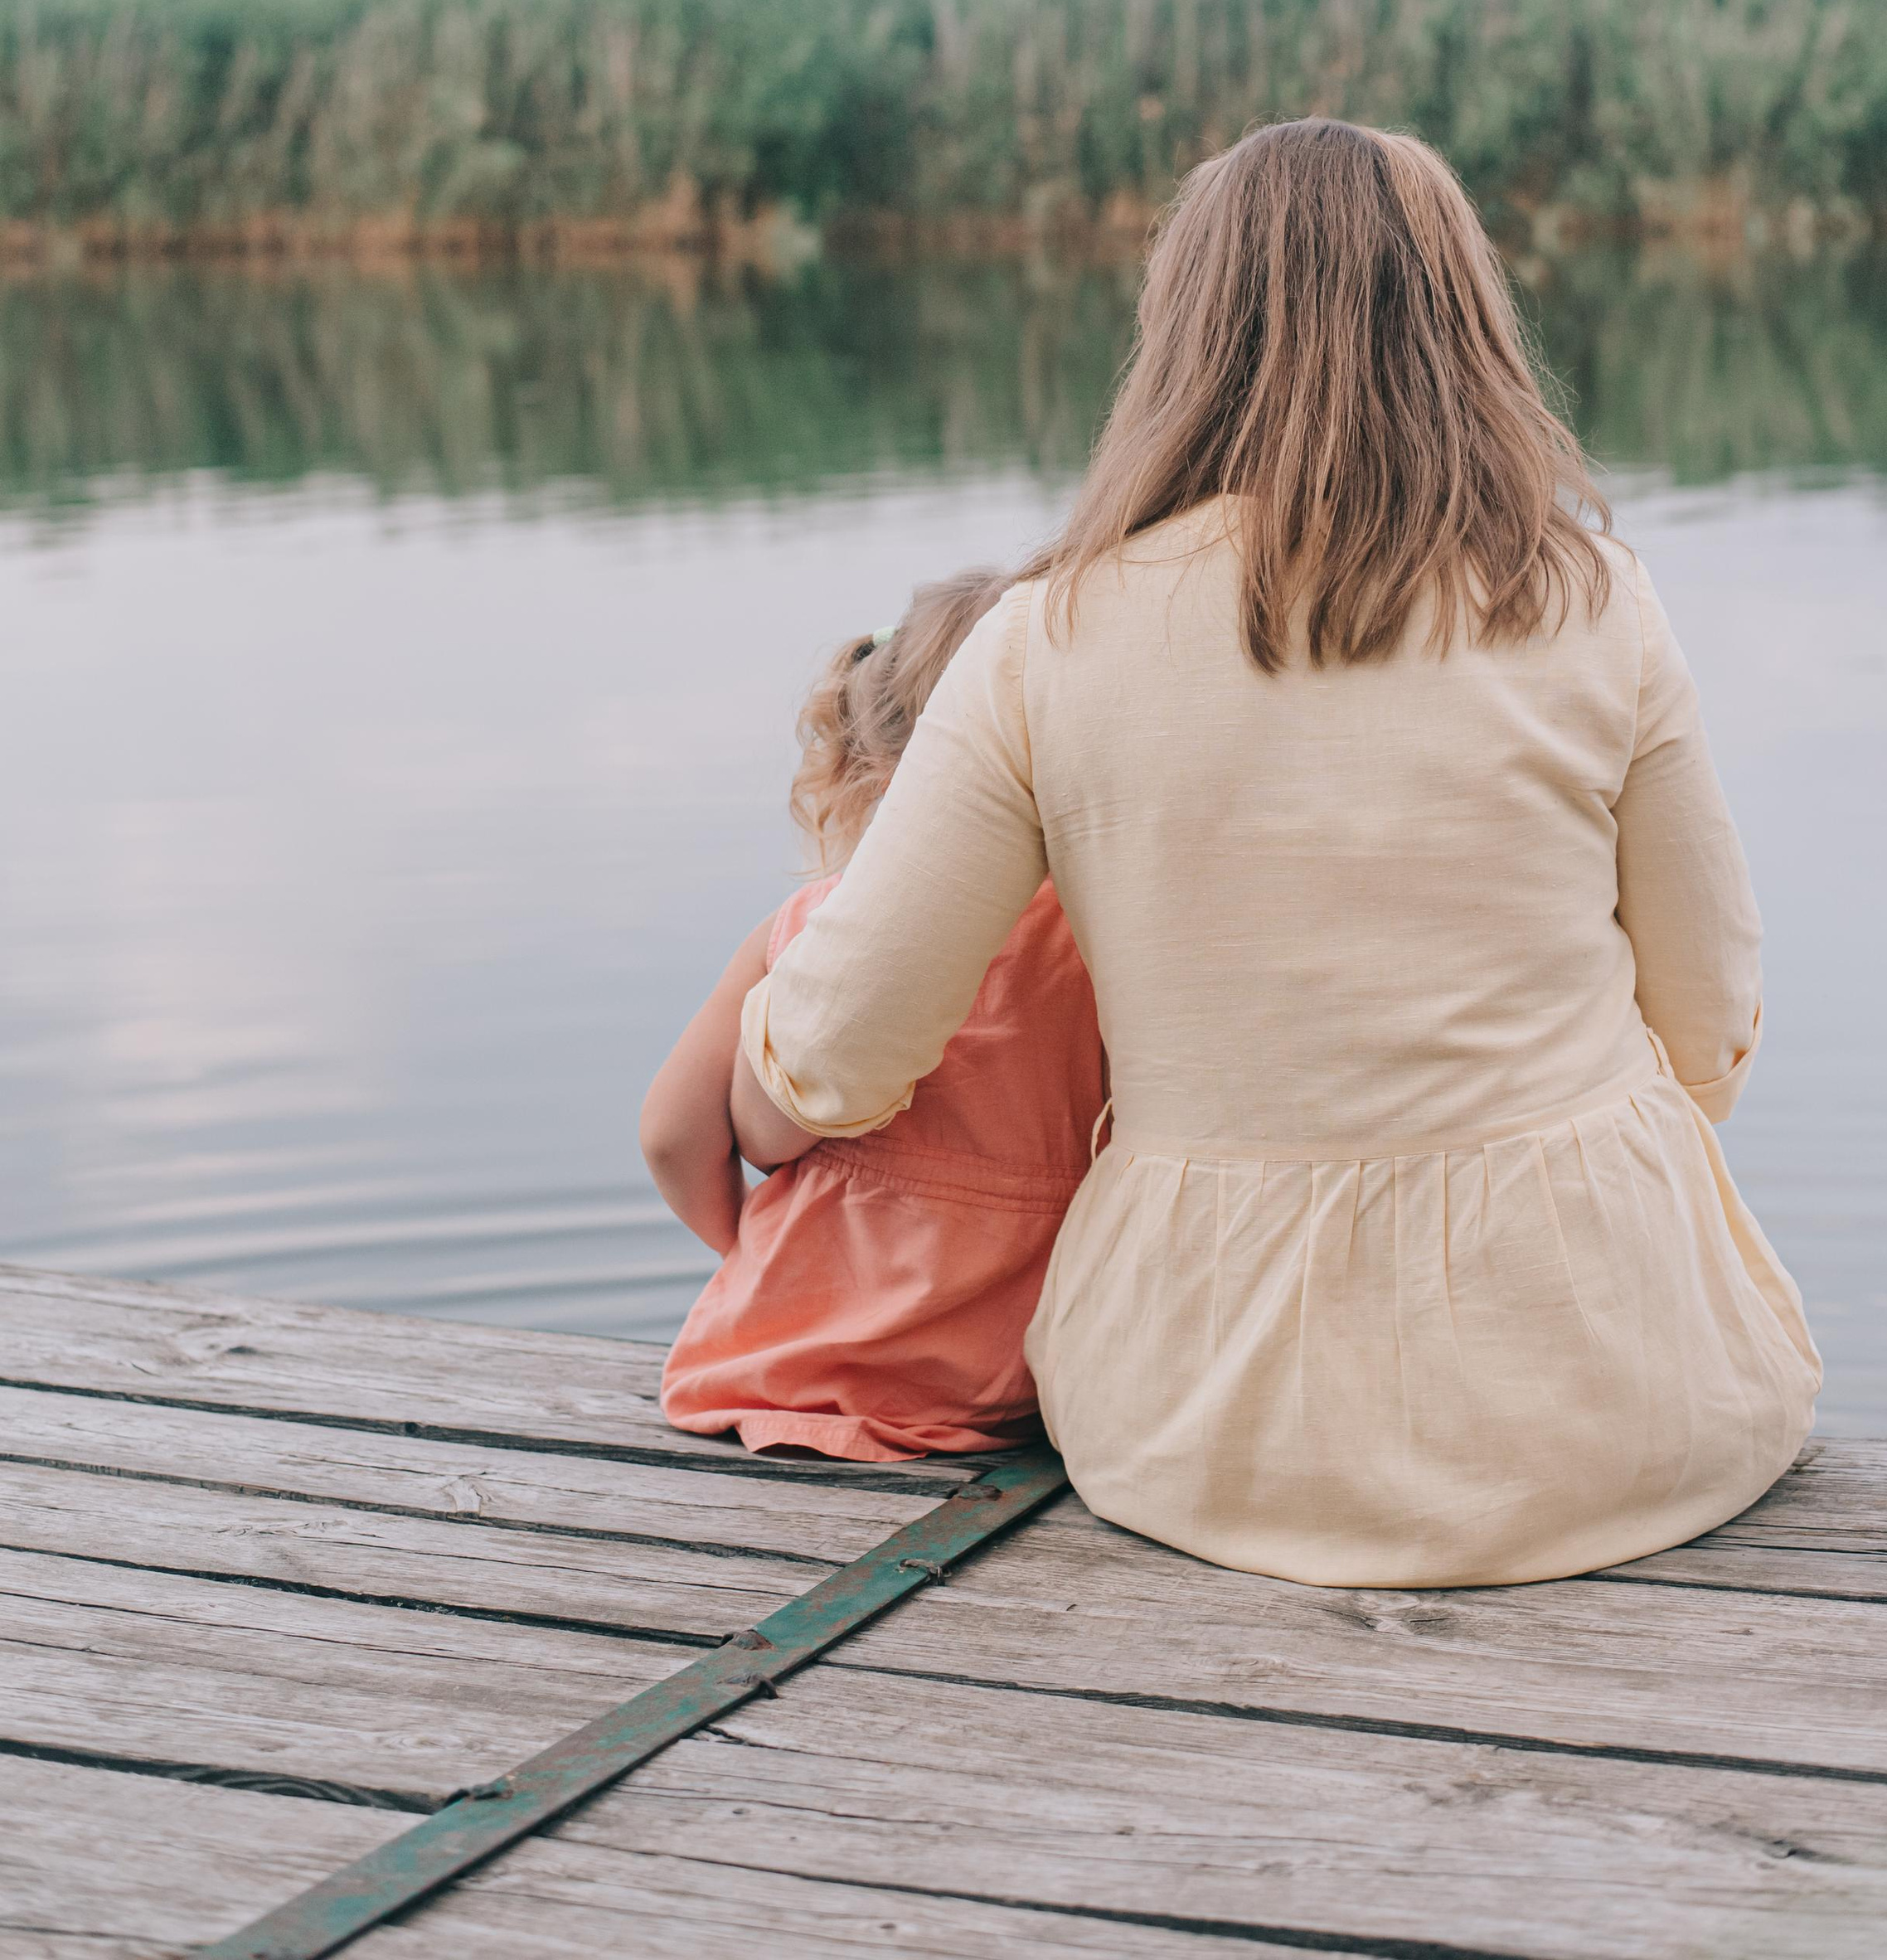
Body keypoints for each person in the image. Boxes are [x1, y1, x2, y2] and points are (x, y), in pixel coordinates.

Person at [734, 119, 1821, 1585]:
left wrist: (743, 1088)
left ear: (1182, 331)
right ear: (1464, 319)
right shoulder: (1596, 601)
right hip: (1631, 1401)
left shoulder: (1042, 641)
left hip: (1205, 1428)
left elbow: (838, 1049)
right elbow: (1711, 1025)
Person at [643, 565, 1104, 1463]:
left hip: (796, 1370)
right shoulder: (1107, 943)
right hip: (1040, 1382)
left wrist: (753, 1254)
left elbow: (671, 1135)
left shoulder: (812, 926)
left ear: (877, 762)